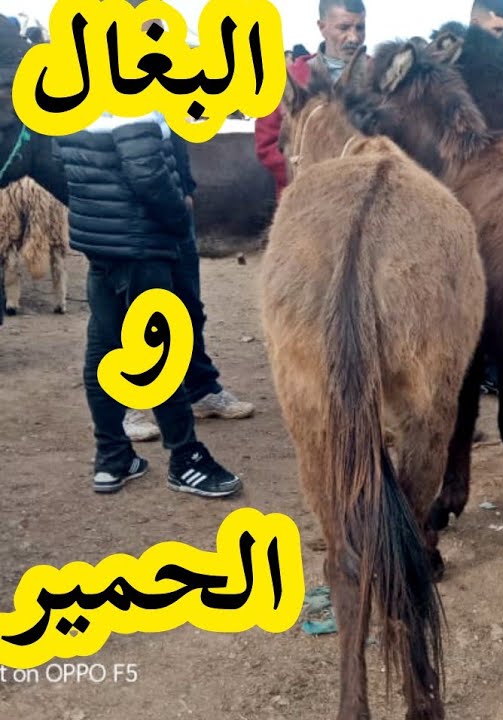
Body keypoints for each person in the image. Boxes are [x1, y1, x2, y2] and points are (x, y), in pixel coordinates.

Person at [57, 58, 242, 496]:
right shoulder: (131, 84)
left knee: (103, 349)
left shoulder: (74, 78)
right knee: (161, 352)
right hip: (140, 242)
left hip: (101, 240)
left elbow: (60, 160)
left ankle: (112, 457)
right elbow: (144, 168)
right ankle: (186, 458)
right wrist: (178, 216)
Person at [123, 130, 255, 442]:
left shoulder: (165, 100)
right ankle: (125, 404)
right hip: (134, 213)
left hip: (176, 208)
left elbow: (175, 145)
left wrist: (186, 189)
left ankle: (201, 389)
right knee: (138, 311)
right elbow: (135, 160)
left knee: (188, 305)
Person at [254, 0, 367, 200]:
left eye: (360, 27)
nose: (354, 37)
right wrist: (309, 178)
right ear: (322, 27)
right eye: (344, 27)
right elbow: (267, 143)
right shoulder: (288, 79)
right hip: (304, 200)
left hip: (366, 199)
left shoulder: (378, 78)